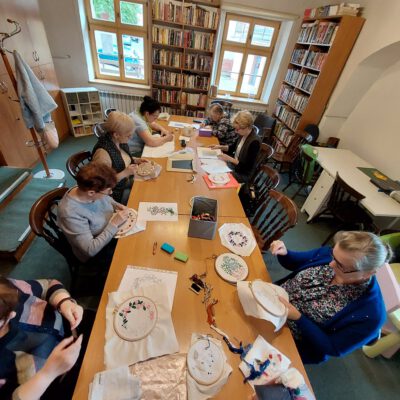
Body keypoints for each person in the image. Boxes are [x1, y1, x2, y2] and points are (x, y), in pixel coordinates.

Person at [270, 231, 391, 364]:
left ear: (368, 273)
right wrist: (285, 253)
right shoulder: (339, 255)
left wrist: (298, 318)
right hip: (270, 301)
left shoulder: (372, 315)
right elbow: (297, 262)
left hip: (288, 337)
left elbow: (333, 347)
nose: (330, 264)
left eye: (340, 265)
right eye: (333, 255)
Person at [0, 277, 84, 400]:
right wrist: (48, 374)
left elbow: (47, 285)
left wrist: (64, 302)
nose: (14, 313)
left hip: (79, 331)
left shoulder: (6, 289)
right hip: (62, 386)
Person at [58, 162, 129, 274]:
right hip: (98, 251)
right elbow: (90, 250)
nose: (111, 193)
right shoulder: (69, 213)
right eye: (108, 191)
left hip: (110, 230)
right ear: (91, 193)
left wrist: (116, 205)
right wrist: (114, 224)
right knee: (130, 255)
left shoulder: (85, 189)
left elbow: (105, 198)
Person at [92, 110, 146, 204]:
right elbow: (101, 185)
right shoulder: (102, 155)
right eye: (128, 136)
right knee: (141, 196)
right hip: (114, 194)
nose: (130, 138)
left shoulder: (118, 141)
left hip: (124, 181)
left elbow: (122, 157)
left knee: (147, 182)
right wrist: (125, 173)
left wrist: (136, 160)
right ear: (116, 134)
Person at [212, 110, 261, 183]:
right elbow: (232, 148)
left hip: (243, 174)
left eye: (237, 129)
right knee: (215, 166)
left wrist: (230, 159)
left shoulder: (254, 142)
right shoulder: (243, 134)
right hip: (234, 166)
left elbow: (246, 168)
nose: (235, 131)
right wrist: (219, 147)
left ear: (246, 127)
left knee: (216, 173)